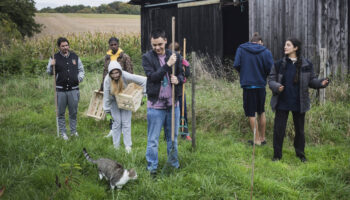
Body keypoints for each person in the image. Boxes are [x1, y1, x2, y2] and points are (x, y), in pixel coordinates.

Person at [268, 38, 329, 162]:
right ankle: (277, 156)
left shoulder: (307, 64)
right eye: (285, 45)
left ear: (295, 48)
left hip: (299, 102)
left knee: (300, 131)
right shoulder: (279, 64)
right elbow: (271, 80)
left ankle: (300, 154)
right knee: (279, 130)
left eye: (288, 45)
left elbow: (311, 81)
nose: (285, 47)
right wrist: (277, 87)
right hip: (282, 102)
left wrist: (320, 83)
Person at [142, 29, 184, 177]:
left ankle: (173, 165)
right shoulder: (147, 57)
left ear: (165, 41)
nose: (157, 48)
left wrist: (178, 79)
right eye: (154, 45)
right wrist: (167, 65)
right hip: (155, 106)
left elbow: (182, 74)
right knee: (153, 139)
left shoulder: (176, 56)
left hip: (173, 105)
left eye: (160, 44)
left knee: (173, 138)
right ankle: (152, 168)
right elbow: (152, 77)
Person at [233, 32, 274, 145]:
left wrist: (245, 72)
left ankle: (256, 140)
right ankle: (262, 138)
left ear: (251, 41)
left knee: (251, 113)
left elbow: (236, 64)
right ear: (260, 42)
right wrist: (262, 75)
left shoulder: (241, 49)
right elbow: (271, 68)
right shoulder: (266, 51)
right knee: (261, 111)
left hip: (248, 85)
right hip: (261, 85)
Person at [103, 61, 146, 153]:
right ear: (110, 74)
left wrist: (144, 95)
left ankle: (128, 146)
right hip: (114, 102)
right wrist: (107, 112)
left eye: (117, 72)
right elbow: (106, 96)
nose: (115, 75)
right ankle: (116, 146)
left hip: (126, 100)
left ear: (120, 71)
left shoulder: (125, 75)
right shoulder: (107, 80)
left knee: (126, 123)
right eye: (113, 73)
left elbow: (144, 80)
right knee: (116, 123)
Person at [47, 37, 85, 140]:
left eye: (66, 45)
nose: (65, 47)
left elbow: (81, 70)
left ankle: (73, 132)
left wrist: (79, 78)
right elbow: (49, 72)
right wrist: (51, 66)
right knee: (61, 113)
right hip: (60, 90)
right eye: (63, 46)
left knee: (73, 112)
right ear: (59, 47)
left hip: (74, 89)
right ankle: (63, 133)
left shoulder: (75, 57)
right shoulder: (54, 57)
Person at [100, 37, 134, 138]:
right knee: (112, 107)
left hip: (122, 87)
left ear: (118, 45)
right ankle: (112, 129)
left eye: (115, 44)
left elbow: (129, 71)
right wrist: (102, 86)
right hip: (111, 88)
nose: (113, 46)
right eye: (111, 45)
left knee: (123, 107)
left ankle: (123, 129)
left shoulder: (124, 57)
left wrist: (130, 87)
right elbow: (105, 72)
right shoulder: (107, 57)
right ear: (109, 46)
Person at [168, 42, 192, 141]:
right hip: (168, 90)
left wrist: (184, 66)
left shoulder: (183, 61)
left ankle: (184, 133)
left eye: (176, 52)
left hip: (180, 90)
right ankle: (169, 134)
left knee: (183, 112)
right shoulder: (167, 60)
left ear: (179, 51)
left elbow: (187, 74)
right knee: (169, 113)